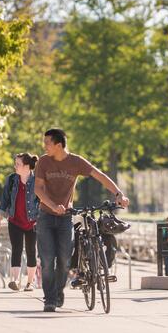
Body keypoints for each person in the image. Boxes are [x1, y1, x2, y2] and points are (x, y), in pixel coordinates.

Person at [34, 128, 129, 312]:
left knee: (64, 259)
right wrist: (53, 206)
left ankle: (58, 291)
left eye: (47, 143)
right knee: (47, 260)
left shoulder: (75, 162)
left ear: (59, 145)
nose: (44, 146)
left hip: (65, 218)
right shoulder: (44, 162)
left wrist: (119, 194)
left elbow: (99, 175)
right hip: (46, 215)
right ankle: (50, 298)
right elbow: (38, 189)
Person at [0, 152, 39, 291]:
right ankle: (15, 281)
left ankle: (30, 283)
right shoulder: (12, 179)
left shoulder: (37, 180)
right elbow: (5, 200)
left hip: (33, 222)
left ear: (26, 166)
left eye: (18, 164)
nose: (15, 166)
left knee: (31, 251)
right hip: (14, 220)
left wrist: (41, 218)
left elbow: (43, 201)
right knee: (16, 249)